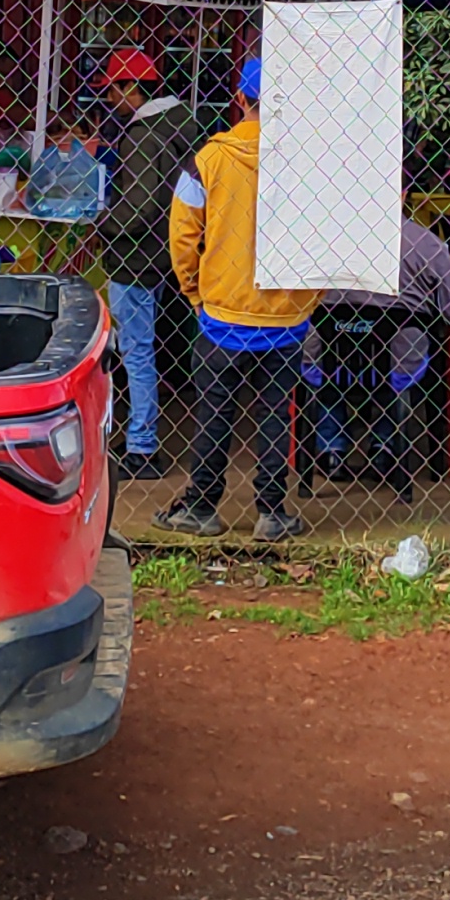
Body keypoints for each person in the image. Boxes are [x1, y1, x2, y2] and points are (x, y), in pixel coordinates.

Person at [160, 56, 321, 541]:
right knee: (275, 411)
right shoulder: (309, 161)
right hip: (288, 310)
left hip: (222, 309)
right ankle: (272, 511)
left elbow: (183, 235)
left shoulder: (208, 158)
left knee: (214, 409)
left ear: (241, 101)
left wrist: (194, 289)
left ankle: (202, 505)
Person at [302, 216, 450, 484]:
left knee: (329, 357)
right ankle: (383, 449)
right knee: (396, 360)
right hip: (397, 366)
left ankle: (331, 450)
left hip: (326, 362)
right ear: (403, 193)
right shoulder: (424, 243)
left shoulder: (321, 236)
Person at [94, 49, 197, 480]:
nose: (111, 102)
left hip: (134, 257)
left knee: (136, 352)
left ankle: (141, 446)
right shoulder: (185, 124)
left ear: (130, 89)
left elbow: (136, 205)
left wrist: (100, 223)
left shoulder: (141, 135)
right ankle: (141, 435)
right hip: (171, 252)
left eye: (113, 92)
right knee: (152, 348)